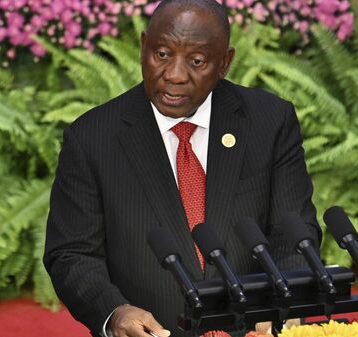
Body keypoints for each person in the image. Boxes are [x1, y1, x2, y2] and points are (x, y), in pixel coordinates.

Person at [43, 1, 321, 336]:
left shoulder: (269, 122)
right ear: (143, 47)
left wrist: (282, 302)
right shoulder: (92, 138)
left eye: (197, 61)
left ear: (224, 63)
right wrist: (114, 312)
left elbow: (294, 232)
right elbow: (72, 253)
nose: (174, 75)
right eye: (161, 54)